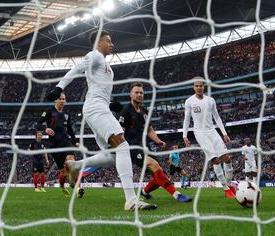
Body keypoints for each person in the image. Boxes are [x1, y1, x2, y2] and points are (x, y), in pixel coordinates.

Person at [47, 30, 156, 210]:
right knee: (123, 146)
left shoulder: (105, 65)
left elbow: (99, 86)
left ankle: (76, 165)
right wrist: (59, 88)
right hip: (95, 108)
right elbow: (77, 68)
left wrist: (111, 103)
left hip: (100, 107)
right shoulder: (95, 55)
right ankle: (131, 200)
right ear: (99, 42)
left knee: (114, 155)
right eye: (109, 41)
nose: (112, 44)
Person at [119, 83, 191, 202]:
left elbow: (149, 130)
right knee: (154, 165)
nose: (139, 95)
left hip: (145, 145)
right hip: (132, 146)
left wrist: (158, 141)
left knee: (158, 175)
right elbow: (120, 132)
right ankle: (176, 194)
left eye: (141, 93)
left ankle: (144, 191)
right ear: (130, 94)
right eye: (136, 92)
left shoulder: (144, 110)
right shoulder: (125, 111)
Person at [183, 78, 235, 198]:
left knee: (227, 159)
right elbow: (187, 119)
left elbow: (217, 117)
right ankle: (226, 188)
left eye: (201, 85)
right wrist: (184, 135)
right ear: (193, 87)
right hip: (200, 133)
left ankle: (229, 184)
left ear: (204, 87)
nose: (199, 87)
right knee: (215, 160)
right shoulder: (189, 101)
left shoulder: (210, 100)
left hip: (212, 131)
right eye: (196, 86)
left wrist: (224, 133)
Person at [37, 92, 84, 198]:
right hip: (54, 145)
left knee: (71, 163)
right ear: (55, 100)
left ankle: (77, 189)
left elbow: (70, 130)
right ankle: (62, 186)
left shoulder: (66, 115)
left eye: (64, 99)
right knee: (63, 173)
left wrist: (75, 141)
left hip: (66, 142)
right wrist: (46, 129)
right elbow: (38, 123)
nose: (63, 101)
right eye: (60, 99)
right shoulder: (49, 111)